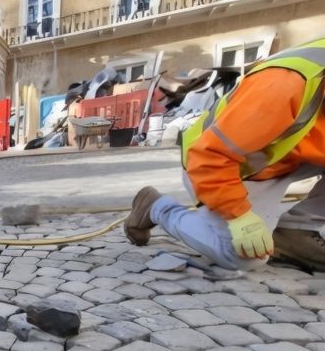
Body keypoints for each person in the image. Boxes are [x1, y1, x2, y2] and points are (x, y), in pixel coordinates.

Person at [124, 37, 325, 272]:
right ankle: (157, 207)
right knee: (242, 256)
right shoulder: (282, 86)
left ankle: (297, 231)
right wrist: (240, 217)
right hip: (218, 166)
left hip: (285, 161)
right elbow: (208, 157)